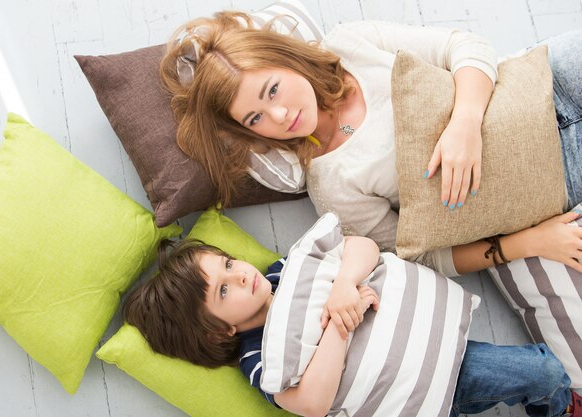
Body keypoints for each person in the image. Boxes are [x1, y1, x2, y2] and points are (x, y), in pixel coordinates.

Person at [159, 12, 582, 278]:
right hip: (561, 171)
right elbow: (419, 256)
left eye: (272, 90)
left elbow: (463, 46)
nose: (281, 116)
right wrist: (524, 245)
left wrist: (465, 123)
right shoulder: (331, 183)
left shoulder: (351, 44)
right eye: (255, 118)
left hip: (549, 78)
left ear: (285, 60)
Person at [123, 237, 581, 417]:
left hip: (440, 356)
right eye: (224, 290)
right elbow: (310, 403)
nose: (240, 274)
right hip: (400, 397)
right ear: (218, 332)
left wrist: (344, 283)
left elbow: (361, 245)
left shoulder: (289, 271)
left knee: (544, 373)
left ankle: (560, 408)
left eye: (227, 264)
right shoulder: (256, 354)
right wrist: (340, 327)